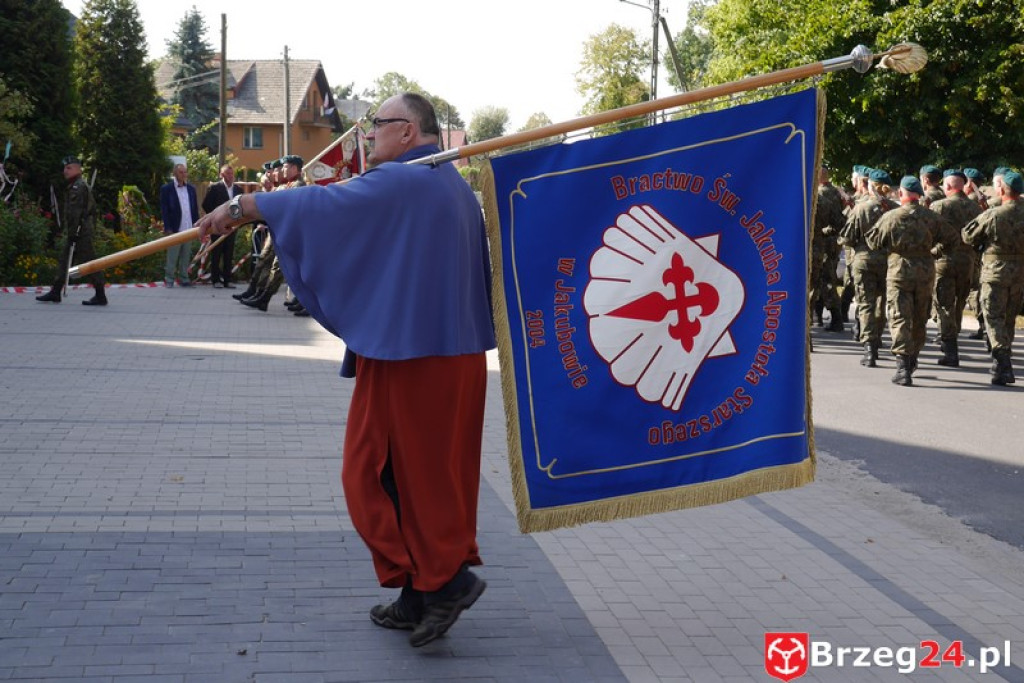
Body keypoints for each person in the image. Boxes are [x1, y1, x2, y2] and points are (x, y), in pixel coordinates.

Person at [196, 92, 496, 647]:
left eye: (377, 124)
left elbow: (324, 207)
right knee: (422, 477)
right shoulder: (450, 184)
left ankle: (448, 582)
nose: (368, 134)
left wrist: (238, 209)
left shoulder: (407, 181)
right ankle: (418, 593)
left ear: (407, 131)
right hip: (448, 353)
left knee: (378, 475)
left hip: (416, 356)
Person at [866, 176, 959, 386]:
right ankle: (913, 357)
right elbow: (953, 239)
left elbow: (873, 242)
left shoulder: (891, 217)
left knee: (899, 317)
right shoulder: (931, 217)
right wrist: (934, 251)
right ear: (918, 194)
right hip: (925, 271)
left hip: (899, 270)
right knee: (919, 316)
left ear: (901, 194)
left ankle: (902, 366)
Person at [962, 170, 1024, 386]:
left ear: (1001, 190)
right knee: (1009, 316)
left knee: (993, 316)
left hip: (995, 272)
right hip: (1019, 273)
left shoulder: (994, 214)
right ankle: (1003, 359)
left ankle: (1003, 362)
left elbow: (968, 235)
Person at [839, 168, 896, 367]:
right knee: (882, 304)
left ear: (870, 186)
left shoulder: (860, 209)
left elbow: (846, 237)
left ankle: (869, 349)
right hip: (888, 262)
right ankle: (877, 339)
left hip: (864, 261)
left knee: (866, 304)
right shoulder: (895, 208)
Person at [36, 155, 107, 305]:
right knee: (64, 261)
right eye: (64, 168)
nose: (65, 171)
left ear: (77, 169)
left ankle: (100, 295)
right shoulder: (75, 185)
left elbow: (76, 213)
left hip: (80, 232)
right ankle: (56, 292)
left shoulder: (78, 187)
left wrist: (74, 233)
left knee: (89, 263)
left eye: (68, 168)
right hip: (77, 231)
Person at [928, 170, 981, 366]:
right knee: (959, 302)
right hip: (967, 261)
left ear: (948, 186)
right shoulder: (976, 208)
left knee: (944, 304)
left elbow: (930, 233)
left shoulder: (938, 206)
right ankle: (951, 337)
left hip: (944, 260)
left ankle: (950, 347)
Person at [242, 155, 305, 312]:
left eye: (285, 167)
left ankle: (265, 297)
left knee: (280, 267)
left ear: (295, 168)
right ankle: (261, 294)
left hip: (290, 233)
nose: (282, 170)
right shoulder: (287, 185)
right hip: (281, 231)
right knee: (273, 264)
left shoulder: (298, 185)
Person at [811, 165, 845, 332]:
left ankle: (814, 318)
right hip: (828, 243)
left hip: (818, 243)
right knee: (826, 279)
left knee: (817, 282)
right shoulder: (836, 193)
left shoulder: (819, 196)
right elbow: (839, 221)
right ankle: (830, 316)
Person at [201, 164, 243, 288]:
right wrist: (215, 217)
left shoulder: (238, 190)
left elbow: (243, 205)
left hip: (232, 226)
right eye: (227, 174)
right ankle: (216, 280)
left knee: (228, 253)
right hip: (217, 226)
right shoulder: (215, 188)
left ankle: (227, 280)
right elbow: (206, 204)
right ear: (222, 175)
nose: (230, 176)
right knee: (216, 253)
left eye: (232, 174)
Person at [159, 163, 200, 287]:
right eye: (181, 172)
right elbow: (164, 210)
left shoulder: (191, 189)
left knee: (186, 255)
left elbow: (194, 209)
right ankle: (169, 279)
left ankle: (184, 278)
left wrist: (197, 225)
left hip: (188, 228)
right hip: (175, 228)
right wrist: (168, 227)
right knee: (172, 255)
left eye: (185, 172)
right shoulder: (167, 189)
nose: (183, 174)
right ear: (175, 174)